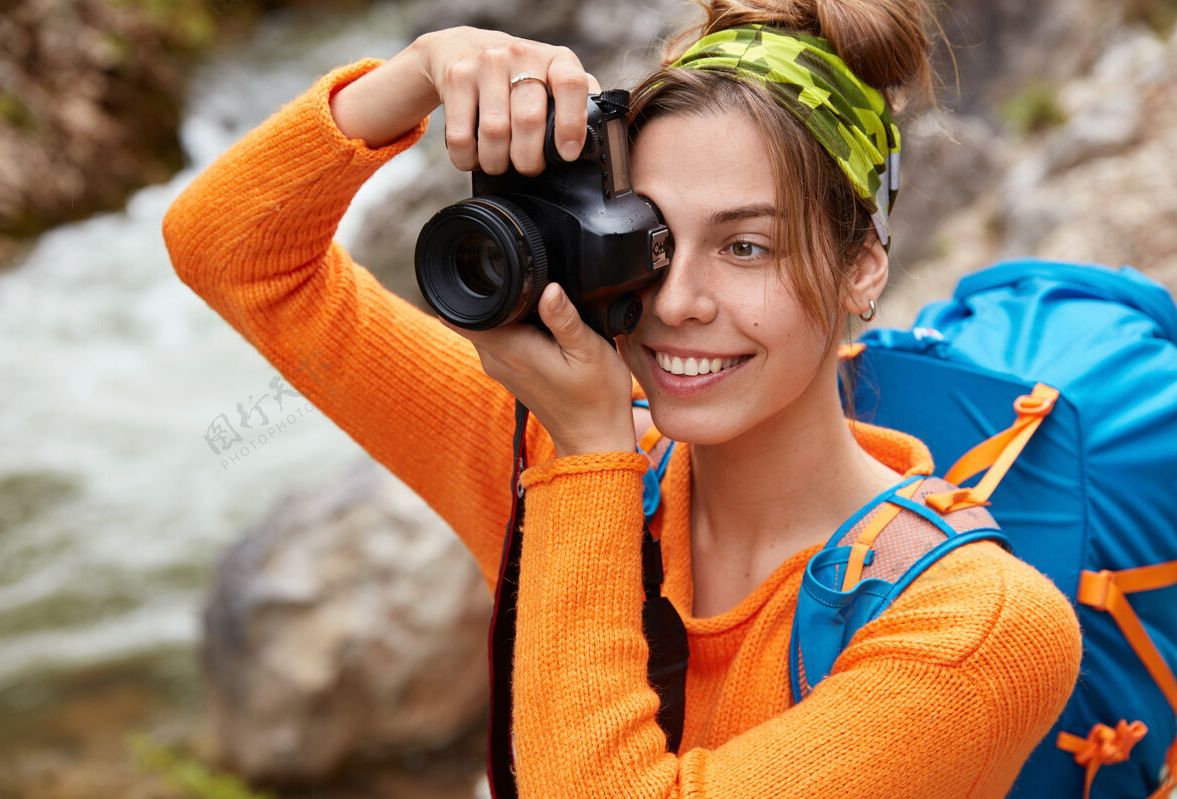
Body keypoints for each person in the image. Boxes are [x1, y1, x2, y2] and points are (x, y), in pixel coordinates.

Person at [163, 0, 1083, 795]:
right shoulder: (547, 447)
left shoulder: (979, 626)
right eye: (648, 238)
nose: (677, 301)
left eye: (746, 246)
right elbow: (232, 253)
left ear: (862, 265)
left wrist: (594, 458)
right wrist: (418, 71)